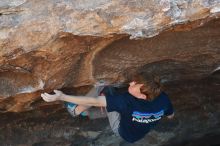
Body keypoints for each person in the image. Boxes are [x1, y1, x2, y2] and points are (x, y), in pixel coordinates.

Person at [41, 73, 174, 143]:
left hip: (122, 131)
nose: (131, 82)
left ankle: (76, 110)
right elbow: (170, 115)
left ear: (143, 96)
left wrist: (62, 97)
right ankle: (87, 114)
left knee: (104, 86)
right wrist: (148, 117)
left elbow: (95, 101)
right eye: (135, 81)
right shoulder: (163, 99)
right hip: (137, 132)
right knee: (121, 109)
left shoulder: (126, 101)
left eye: (135, 85)